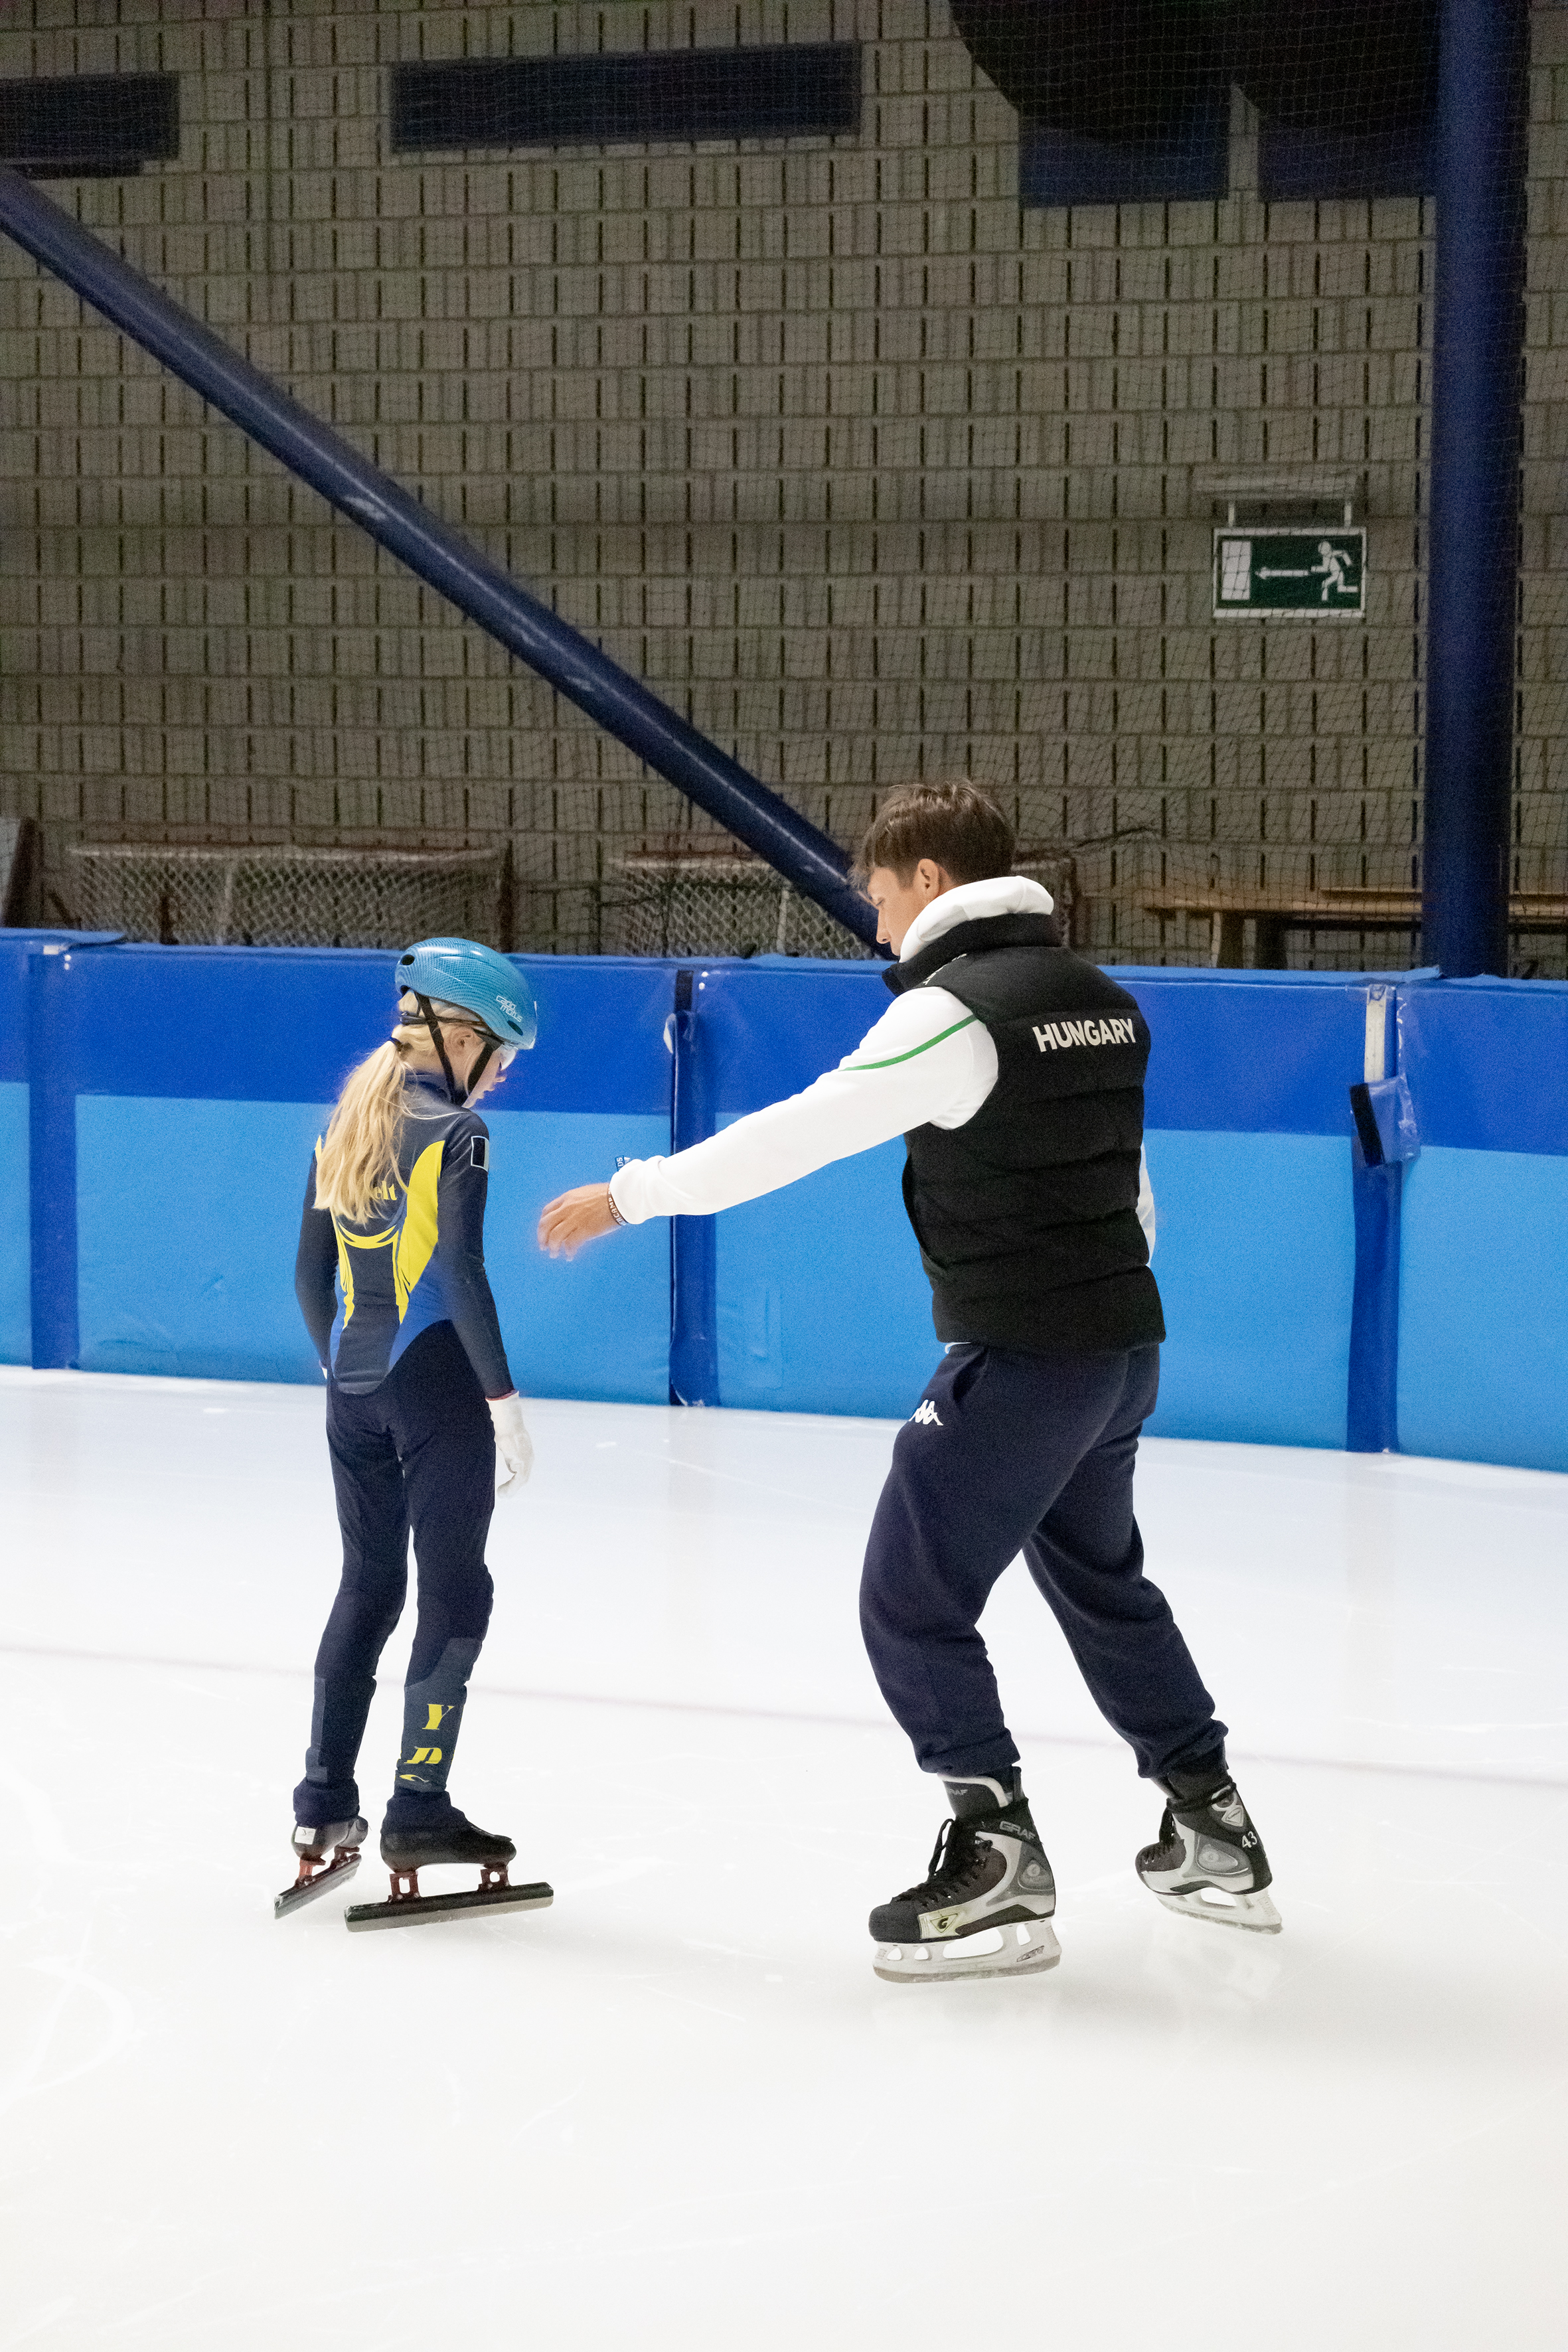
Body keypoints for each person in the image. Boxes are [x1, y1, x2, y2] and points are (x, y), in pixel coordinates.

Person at [538, 782, 1279, 1982]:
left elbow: (797, 1133)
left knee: (909, 1597)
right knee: (1100, 1580)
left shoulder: (951, 1011)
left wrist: (629, 1193)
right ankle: (1211, 1823)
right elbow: (1128, 1185)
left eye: (878, 899)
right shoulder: (1101, 1001)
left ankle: (996, 1861)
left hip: (1026, 1356)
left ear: (928, 880)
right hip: (1117, 1350)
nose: (875, 928)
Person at [278, 936, 549, 1931]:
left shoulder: (344, 1125)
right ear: (459, 1035)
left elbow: (309, 1282)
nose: (508, 1071)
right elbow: (465, 1281)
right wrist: (502, 1400)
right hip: (436, 1385)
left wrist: (349, 1378)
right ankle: (417, 1810)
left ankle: (321, 1811)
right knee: (456, 1591)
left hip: (352, 1388)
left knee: (366, 1589)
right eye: (504, 1051)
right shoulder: (459, 1134)